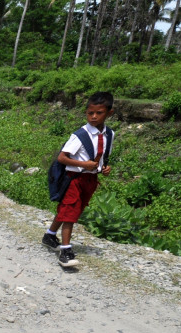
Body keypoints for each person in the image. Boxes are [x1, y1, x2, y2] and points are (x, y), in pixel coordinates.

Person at [42, 92, 115, 268]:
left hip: (90, 180)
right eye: (90, 113)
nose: (94, 117)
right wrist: (83, 163)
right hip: (74, 178)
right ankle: (65, 251)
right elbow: (62, 158)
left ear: (109, 113)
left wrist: (104, 168)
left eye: (99, 113)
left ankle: (50, 235)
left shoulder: (109, 135)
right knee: (70, 212)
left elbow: (104, 156)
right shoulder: (80, 135)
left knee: (72, 209)